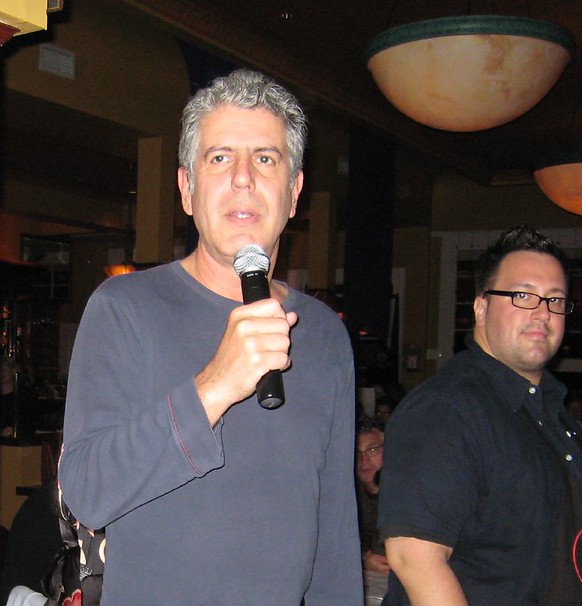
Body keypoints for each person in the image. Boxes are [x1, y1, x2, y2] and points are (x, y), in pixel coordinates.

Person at [58, 69, 362, 604]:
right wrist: (213, 387)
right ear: (186, 190)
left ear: (293, 194)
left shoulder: (324, 335)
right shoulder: (124, 309)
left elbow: (334, 532)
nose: (243, 178)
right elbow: (85, 491)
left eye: (265, 159)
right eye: (220, 158)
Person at [378, 226, 582, 605]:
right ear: (481, 307)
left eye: (555, 300)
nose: (542, 313)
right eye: (522, 295)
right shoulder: (446, 409)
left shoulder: (554, 415)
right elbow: (416, 561)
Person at [356, 422, 390, 601]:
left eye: (372, 450)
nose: (364, 460)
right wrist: (361, 560)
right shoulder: (350, 499)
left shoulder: (406, 494)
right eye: (358, 453)